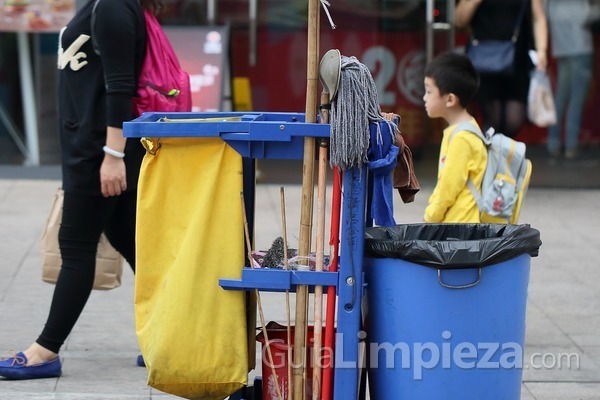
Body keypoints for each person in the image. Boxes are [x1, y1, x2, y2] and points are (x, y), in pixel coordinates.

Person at [0, 0, 161, 380]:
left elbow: (120, 87)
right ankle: (171, 335)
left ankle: (45, 351)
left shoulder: (113, 7)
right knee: (135, 244)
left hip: (98, 152)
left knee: (75, 247)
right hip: (90, 148)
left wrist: (112, 155)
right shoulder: (101, 4)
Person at [455, 0, 548, 138]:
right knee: (493, 118)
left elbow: (538, 17)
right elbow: (459, 21)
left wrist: (542, 50)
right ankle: (494, 155)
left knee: (514, 120)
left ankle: (500, 152)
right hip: (484, 58)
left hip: (517, 58)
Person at [422, 51, 486, 223]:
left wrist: (430, 216)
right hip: (461, 227)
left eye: (429, 91)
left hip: (460, 229)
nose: (424, 98)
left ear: (450, 99)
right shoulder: (466, 130)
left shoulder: (462, 138)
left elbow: (447, 189)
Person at [546, 0, 594, 160]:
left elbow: (544, 8)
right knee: (576, 99)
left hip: (561, 44)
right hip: (581, 43)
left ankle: (554, 142)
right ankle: (570, 145)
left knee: (561, 96)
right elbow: (593, 14)